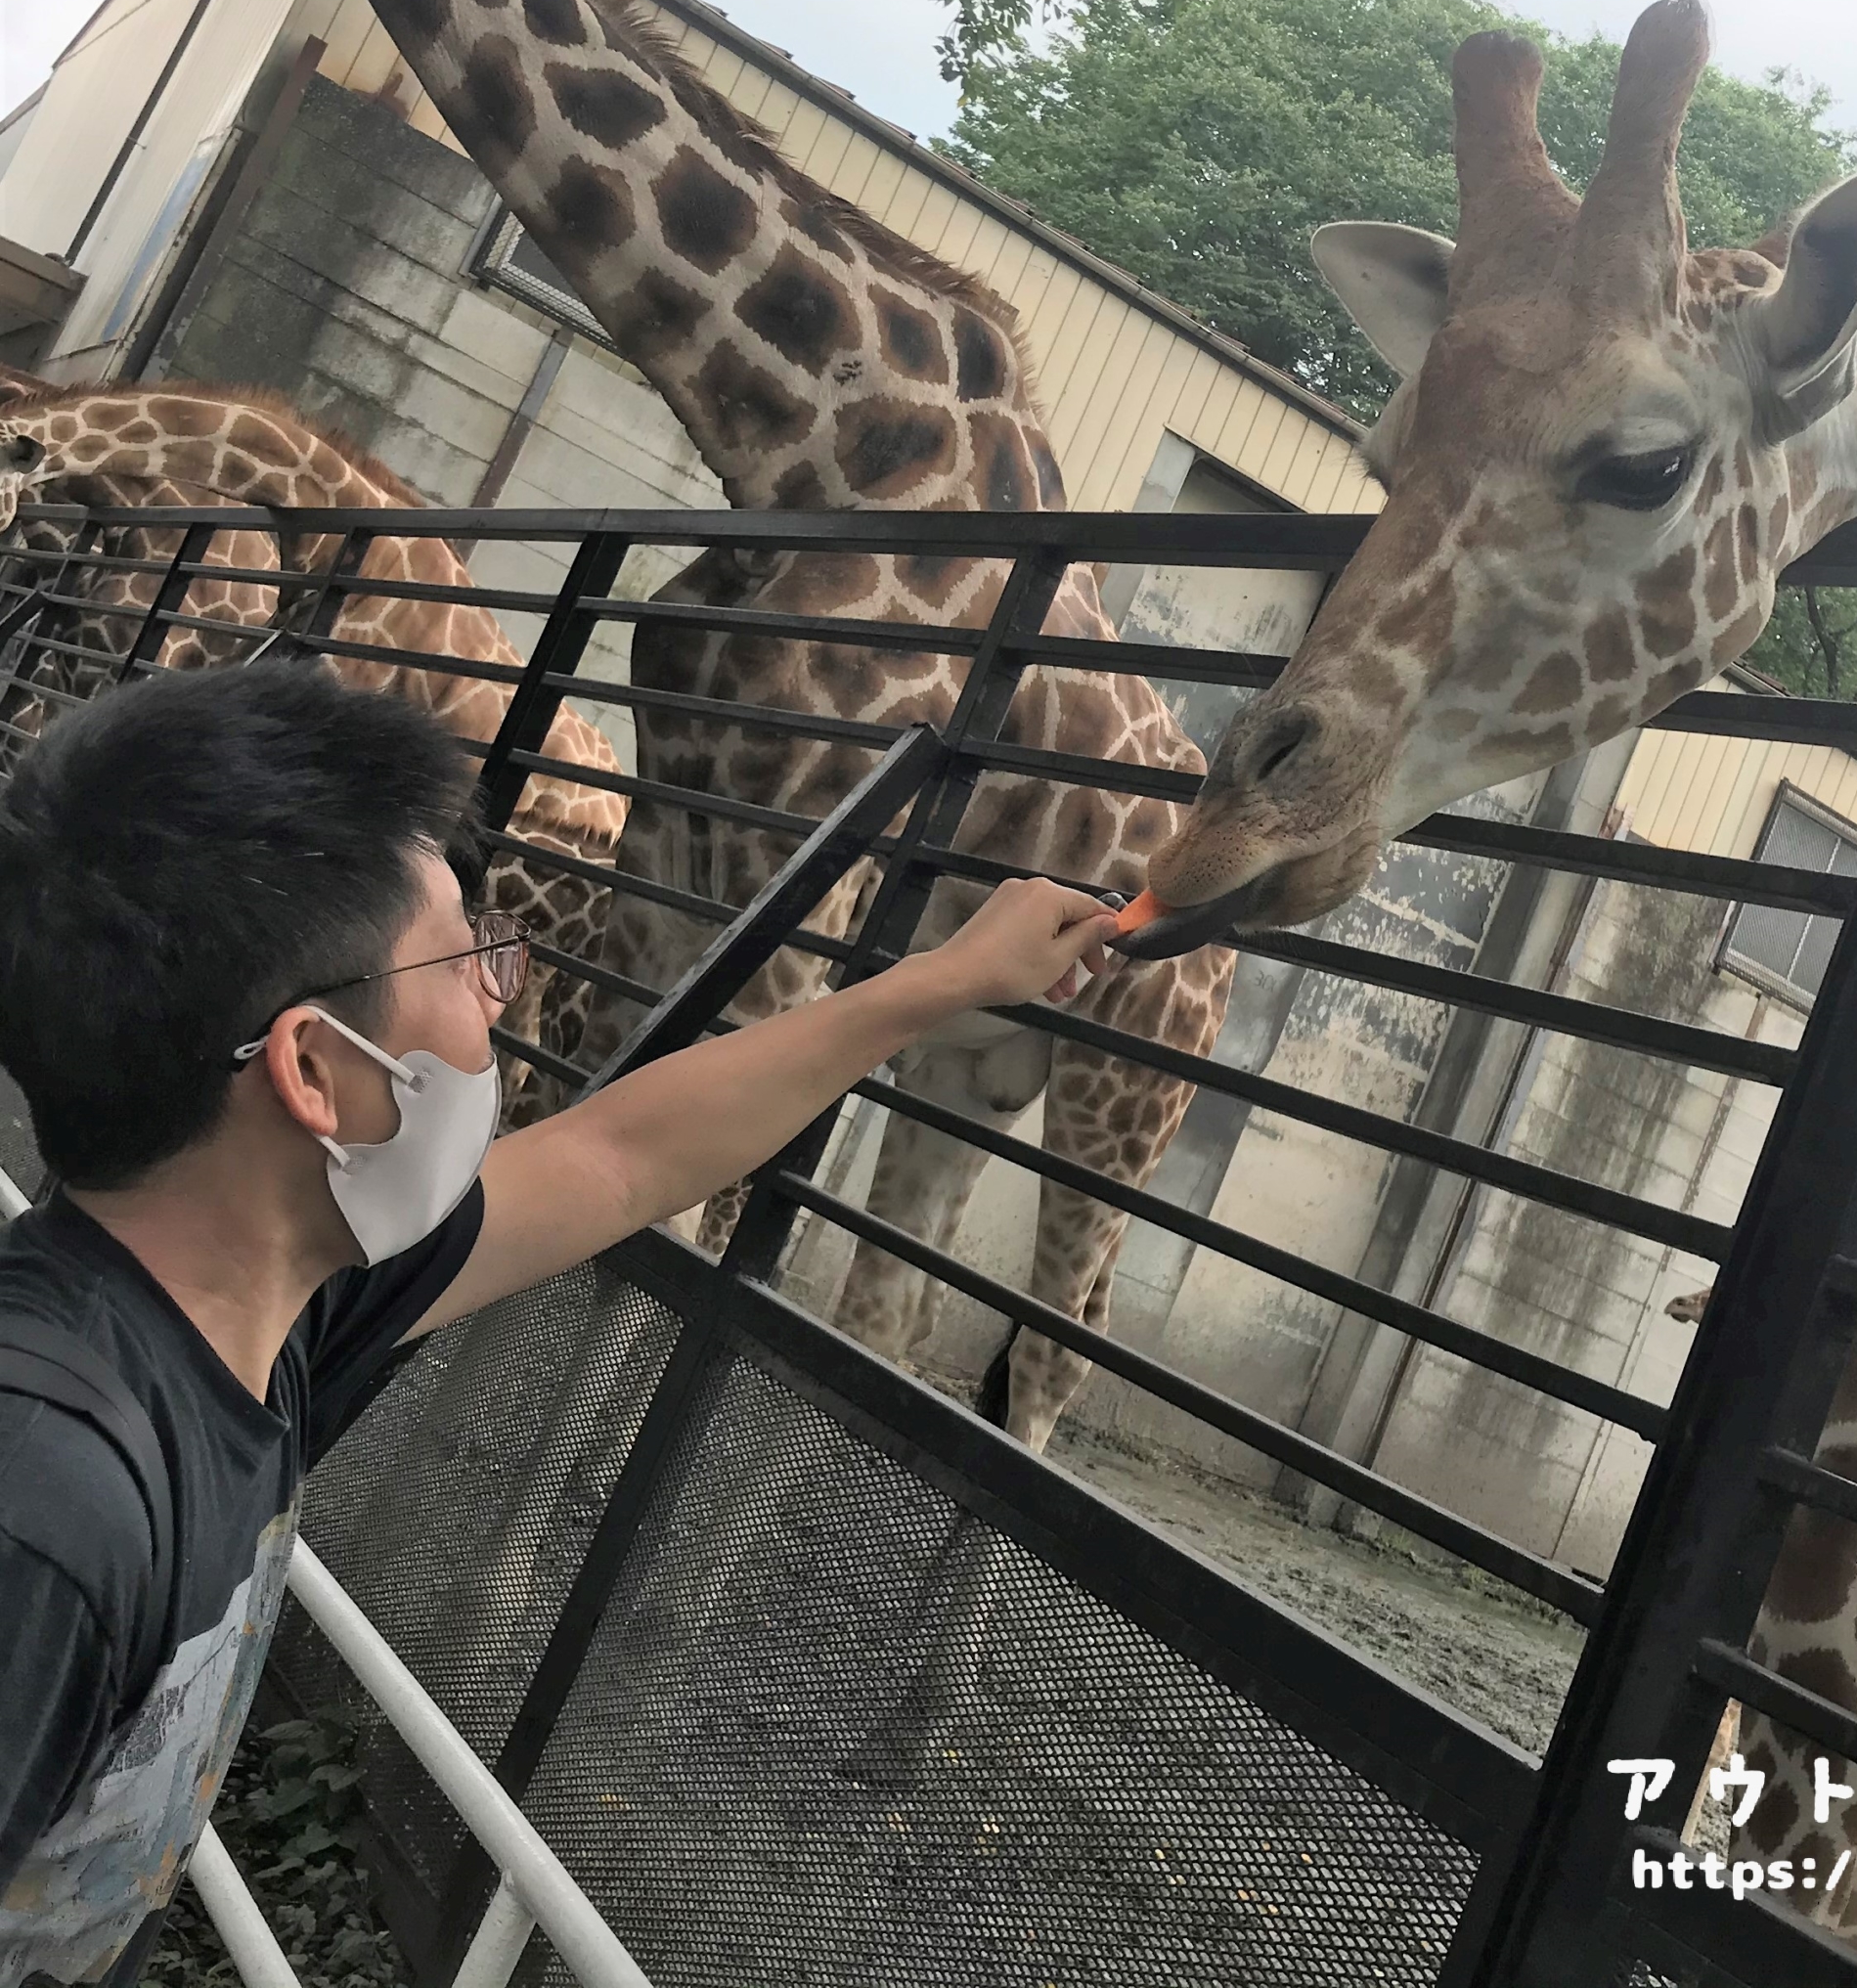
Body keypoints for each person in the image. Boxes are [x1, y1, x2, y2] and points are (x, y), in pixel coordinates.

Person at [0, 661, 1119, 1986]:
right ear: (312, 1069)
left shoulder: (269, 1297)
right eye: (466, 958)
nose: (503, 995)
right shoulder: (46, 1507)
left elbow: (622, 1158)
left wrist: (933, 987)